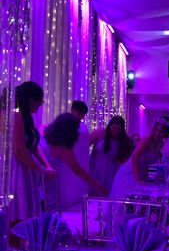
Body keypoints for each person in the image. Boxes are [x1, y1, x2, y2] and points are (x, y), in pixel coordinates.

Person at [11, 81, 56, 222]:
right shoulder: (17, 117)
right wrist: (40, 169)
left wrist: (46, 165)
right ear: (31, 99)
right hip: (18, 168)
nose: (39, 105)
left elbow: (32, 145)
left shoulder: (24, 117)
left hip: (24, 166)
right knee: (20, 210)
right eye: (40, 101)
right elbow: (18, 150)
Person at [43, 113, 107, 210]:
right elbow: (78, 170)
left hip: (36, 173)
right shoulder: (63, 147)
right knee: (49, 210)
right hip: (50, 181)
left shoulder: (43, 131)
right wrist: (97, 184)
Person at [110, 115, 169, 199]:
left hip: (140, 173)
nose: (157, 133)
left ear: (167, 134)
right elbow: (135, 158)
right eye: (155, 129)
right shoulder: (146, 140)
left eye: (161, 131)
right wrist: (138, 180)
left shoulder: (160, 144)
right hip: (130, 173)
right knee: (123, 201)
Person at [89, 115, 133, 197]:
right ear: (109, 126)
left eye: (119, 129)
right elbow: (83, 146)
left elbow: (125, 159)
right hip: (95, 167)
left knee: (108, 194)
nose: (116, 131)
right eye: (114, 128)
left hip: (112, 170)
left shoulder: (124, 140)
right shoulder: (100, 133)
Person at [71, 100, 89, 199]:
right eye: (80, 113)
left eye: (82, 114)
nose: (81, 116)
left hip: (80, 160)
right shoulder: (81, 127)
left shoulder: (82, 127)